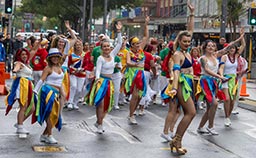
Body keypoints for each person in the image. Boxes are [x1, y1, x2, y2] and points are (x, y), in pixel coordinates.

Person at [168, 1, 195, 155]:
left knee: (189, 113)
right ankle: (176, 140)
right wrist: (173, 87)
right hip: (180, 85)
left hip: (188, 84)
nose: (187, 43)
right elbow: (176, 72)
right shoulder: (178, 54)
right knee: (191, 112)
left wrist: (192, 14)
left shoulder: (187, 52)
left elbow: (190, 31)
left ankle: (177, 141)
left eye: (188, 42)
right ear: (179, 42)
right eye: (184, 42)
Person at [86, 22, 122, 134]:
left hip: (109, 82)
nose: (107, 48)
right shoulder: (100, 58)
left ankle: (98, 121)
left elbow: (120, 43)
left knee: (107, 104)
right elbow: (98, 70)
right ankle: (100, 125)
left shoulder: (112, 56)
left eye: (108, 46)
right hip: (101, 81)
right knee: (100, 103)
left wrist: (119, 32)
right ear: (101, 48)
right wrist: (97, 79)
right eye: (105, 47)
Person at [33, 48, 65, 144]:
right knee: (51, 113)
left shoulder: (60, 67)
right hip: (48, 92)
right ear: (49, 58)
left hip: (57, 93)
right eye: (53, 57)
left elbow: (60, 83)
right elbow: (41, 80)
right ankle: (50, 135)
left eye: (56, 57)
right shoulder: (48, 68)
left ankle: (44, 135)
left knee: (56, 114)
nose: (55, 58)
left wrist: (63, 94)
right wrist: (35, 91)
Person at [196, 40, 227, 135]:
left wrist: (241, 38)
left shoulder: (215, 55)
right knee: (215, 103)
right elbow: (206, 69)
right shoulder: (203, 58)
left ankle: (201, 127)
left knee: (210, 107)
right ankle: (211, 126)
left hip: (213, 82)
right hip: (205, 81)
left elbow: (227, 48)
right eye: (208, 46)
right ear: (205, 47)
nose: (211, 47)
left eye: (213, 46)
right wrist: (220, 76)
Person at [5, 47, 38, 134]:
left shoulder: (27, 63)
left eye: (25, 54)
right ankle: (20, 126)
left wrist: (38, 43)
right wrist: (15, 70)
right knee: (23, 106)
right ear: (19, 56)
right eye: (22, 54)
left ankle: (20, 123)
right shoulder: (19, 63)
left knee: (32, 108)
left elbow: (34, 50)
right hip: (22, 86)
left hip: (29, 85)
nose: (24, 56)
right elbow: (16, 68)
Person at [125, 16, 149, 125]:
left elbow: (146, 36)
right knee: (135, 95)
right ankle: (131, 115)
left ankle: (133, 111)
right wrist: (136, 64)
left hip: (141, 73)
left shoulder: (140, 51)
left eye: (139, 43)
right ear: (132, 45)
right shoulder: (128, 52)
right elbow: (128, 62)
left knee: (140, 96)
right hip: (133, 74)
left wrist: (146, 24)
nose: (139, 44)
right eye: (136, 43)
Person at [219, 28, 245, 127]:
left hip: (234, 80)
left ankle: (228, 116)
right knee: (227, 99)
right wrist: (221, 76)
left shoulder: (237, 56)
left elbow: (243, 45)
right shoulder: (224, 57)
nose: (232, 50)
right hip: (226, 79)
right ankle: (226, 116)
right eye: (230, 48)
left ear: (235, 50)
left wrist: (241, 36)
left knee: (233, 101)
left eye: (233, 48)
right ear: (228, 50)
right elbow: (221, 67)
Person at [67, 39, 86, 110]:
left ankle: (75, 102)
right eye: (77, 45)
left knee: (79, 90)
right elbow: (68, 65)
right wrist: (72, 71)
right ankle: (70, 102)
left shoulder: (85, 55)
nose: (78, 46)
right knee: (74, 86)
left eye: (80, 45)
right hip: (73, 74)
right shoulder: (71, 55)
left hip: (82, 74)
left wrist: (83, 69)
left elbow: (87, 64)